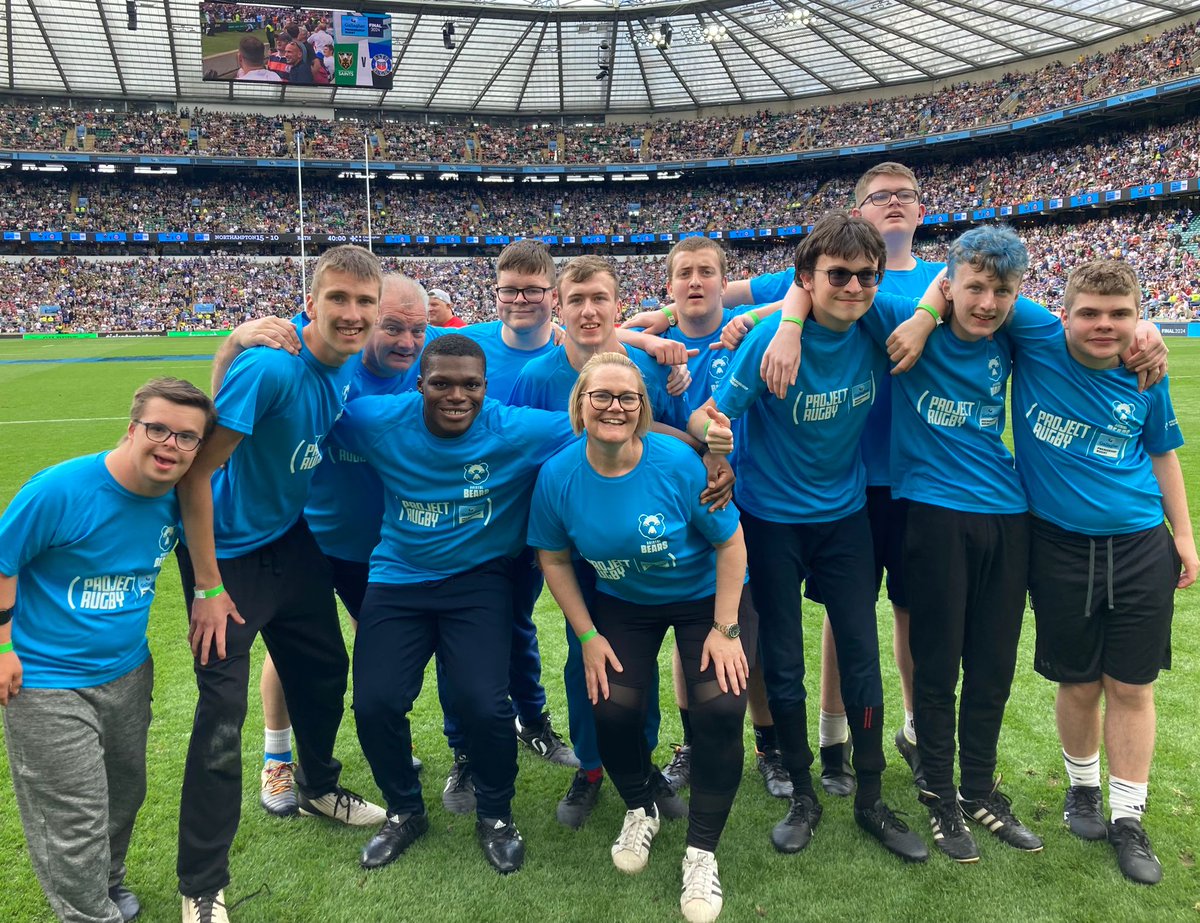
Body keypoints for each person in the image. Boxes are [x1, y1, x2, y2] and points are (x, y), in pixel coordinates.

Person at [690, 213, 928, 865]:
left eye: (865, 276)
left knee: (859, 653)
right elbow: (713, 413)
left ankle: (872, 796)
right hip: (771, 520)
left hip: (845, 517)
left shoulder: (877, 319)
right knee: (787, 661)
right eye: (838, 275)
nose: (853, 287)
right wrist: (718, 456)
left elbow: (946, 296)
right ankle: (803, 793)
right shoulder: (768, 337)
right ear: (807, 279)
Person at [174, 246, 386, 923]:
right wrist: (207, 584)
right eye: (339, 300)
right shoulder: (272, 364)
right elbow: (195, 473)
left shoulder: (345, 365)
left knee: (323, 666)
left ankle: (318, 785)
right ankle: (201, 884)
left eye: (364, 302)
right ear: (311, 302)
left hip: (289, 539)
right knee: (220, 716)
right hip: (226, 553)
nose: (352, 315)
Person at [333, 334, 578, 875]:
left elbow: (612, 426)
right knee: (374, 703)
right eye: (440, 383)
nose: (456, 396)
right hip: (398, 577)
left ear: (486, 389)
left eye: (470, 385)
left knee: (485, 706)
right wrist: (240, 344)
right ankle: (404, 809)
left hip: (478, 580)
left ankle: (495, 815)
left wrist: (704, 449)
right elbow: (301, 409)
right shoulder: (376, 419)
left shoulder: (513, 427)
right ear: (419, 384)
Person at [529, 351, 755, 923]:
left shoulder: (679, 463)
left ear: (642, 407)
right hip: (624, 602)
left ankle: (701, 853)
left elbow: (730, 544)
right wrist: (586, 637)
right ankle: (640, 808)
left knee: (721, 710)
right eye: (600, 396)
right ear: (580, 406)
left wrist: (726, 630)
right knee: (610, 709)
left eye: (627, 397)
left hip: (705, 595)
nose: (614, 407)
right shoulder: (558, 476)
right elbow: (553, 559)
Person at [211, 276, 441, 818]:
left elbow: (534, 326)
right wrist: (232, 340)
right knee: (289, 653)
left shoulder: (430, 362)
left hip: (384, 545)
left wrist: (651, 328)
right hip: (307, 535)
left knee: (376, 650)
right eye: (392, 325)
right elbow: (233, 401)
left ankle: (383, 738)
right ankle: (278, 757)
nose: (406, 341)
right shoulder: (314, 348)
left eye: (417, 328)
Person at [508, 254, 713, 829]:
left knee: (633, 661)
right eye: (576, 300)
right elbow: (523, 454)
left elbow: (681, 433)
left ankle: (641, 765)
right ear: (558, 306)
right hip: (572, 540)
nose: (588, 310)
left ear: (617, 306)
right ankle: (592, 767)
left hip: (640, 548)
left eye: (599, 298)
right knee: (584, 656)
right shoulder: (537, 377)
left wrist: (715, 452)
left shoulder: (646, 370)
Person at [0, 377, 216, 923]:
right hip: (45, 681)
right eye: (158, 429)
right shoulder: (61, 489)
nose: (170, 445)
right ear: (132, 428)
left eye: (186, 438)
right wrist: (1, 646)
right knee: (74, 816)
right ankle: (88, 914)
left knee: (123, 796)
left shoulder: (180, 498)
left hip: (127, 672)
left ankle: (106, 883)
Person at [1012, 259, 1197, 884]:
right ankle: (1082, 788)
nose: (1104, 325)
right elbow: (959, 281)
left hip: (1141, 546)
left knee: (1132, 685)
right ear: (1063, 314)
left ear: (1140, 319)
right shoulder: (1034, 340)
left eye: (1120, 315)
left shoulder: (1145, 372)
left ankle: (1129, 817)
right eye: (1089, 312)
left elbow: (1162, 454)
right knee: (1079, 681)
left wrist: (1186, 537)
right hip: (1058, 546)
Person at [621, 236, 793, 800]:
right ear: (668, 287)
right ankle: (694, 744)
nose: (695, 282)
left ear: (724, 281)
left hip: (759, 500)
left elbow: (805, 292)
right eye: (683, 275)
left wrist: (757, 317)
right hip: (687, 510)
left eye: (706, 273)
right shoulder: (655, 348)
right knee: (688, 636)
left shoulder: (748, 327)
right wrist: (652, 328)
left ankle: (769, 745)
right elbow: (582, 337)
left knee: (756, 632)